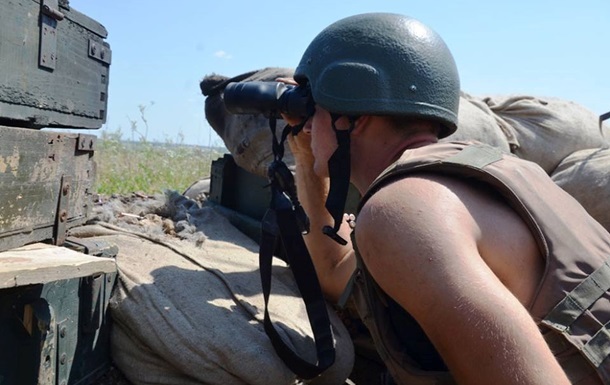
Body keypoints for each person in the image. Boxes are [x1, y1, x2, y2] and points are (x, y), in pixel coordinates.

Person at [279, 13, 610, 385]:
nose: (306, 124)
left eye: (314, 109)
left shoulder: (404, 210)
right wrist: (307, 158)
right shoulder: (500, 171)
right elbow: (335, 273)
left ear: (353, 115)